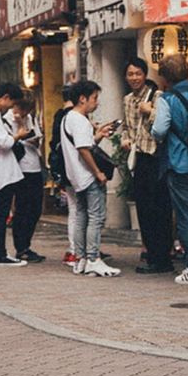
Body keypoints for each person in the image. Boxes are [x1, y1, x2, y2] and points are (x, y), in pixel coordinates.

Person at [60, 79, 119, 277]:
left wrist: (98, 135)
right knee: (96, 217)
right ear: (82, 99)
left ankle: (81, 258)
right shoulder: (79, 120)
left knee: (82, 216)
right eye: (94, 98)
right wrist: (98, 173)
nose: (97, 102)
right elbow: (84, 149)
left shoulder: (68, 118)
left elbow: (83, 144)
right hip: (87, 177)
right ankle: (93, 258)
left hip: (77, 178)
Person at [121, 57, 172, 275]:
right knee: (143, 208)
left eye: (138, 73)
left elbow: (163, 127)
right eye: (130, 74)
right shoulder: (126, 100)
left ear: (145, 75)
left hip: (155, 158)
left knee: (158, 209)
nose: (134, 78)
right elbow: (126, 126)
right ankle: (151, 252)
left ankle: (162, 257)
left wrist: (149, 112)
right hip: (137, 158)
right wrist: (125, 138)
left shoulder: (157, 96)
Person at [151, 53, 188, 285]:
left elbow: (158, 131)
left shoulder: (167, 99)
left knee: (187, 217)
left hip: (180, 164)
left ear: (165, 77)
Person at [0, 82, 30, 267]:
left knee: (0, 213)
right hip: (1, 171)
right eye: (11, 103)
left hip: (2, 170)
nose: (11, 107)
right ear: (5, 98)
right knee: (0, 214)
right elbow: (3, 142)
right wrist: (17, 135)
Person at [10, 94, 45, 263]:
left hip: (35, 166)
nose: (24, 112)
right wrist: (19, 126)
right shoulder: (7, 119)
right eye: (22, 108)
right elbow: (8, 141)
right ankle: (20, 247)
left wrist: (28, 132)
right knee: (22, 208)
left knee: (36, 208)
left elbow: (37, 140)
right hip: (20, 168)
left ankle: (27, 244)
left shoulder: (30, 118)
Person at [49, 84, 79, 265]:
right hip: (74, 169)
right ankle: (76, 249)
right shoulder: (72, 116)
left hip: (64, 168)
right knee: (77, 210)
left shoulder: (58, 116)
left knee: (74, 209)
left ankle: (75, 249)